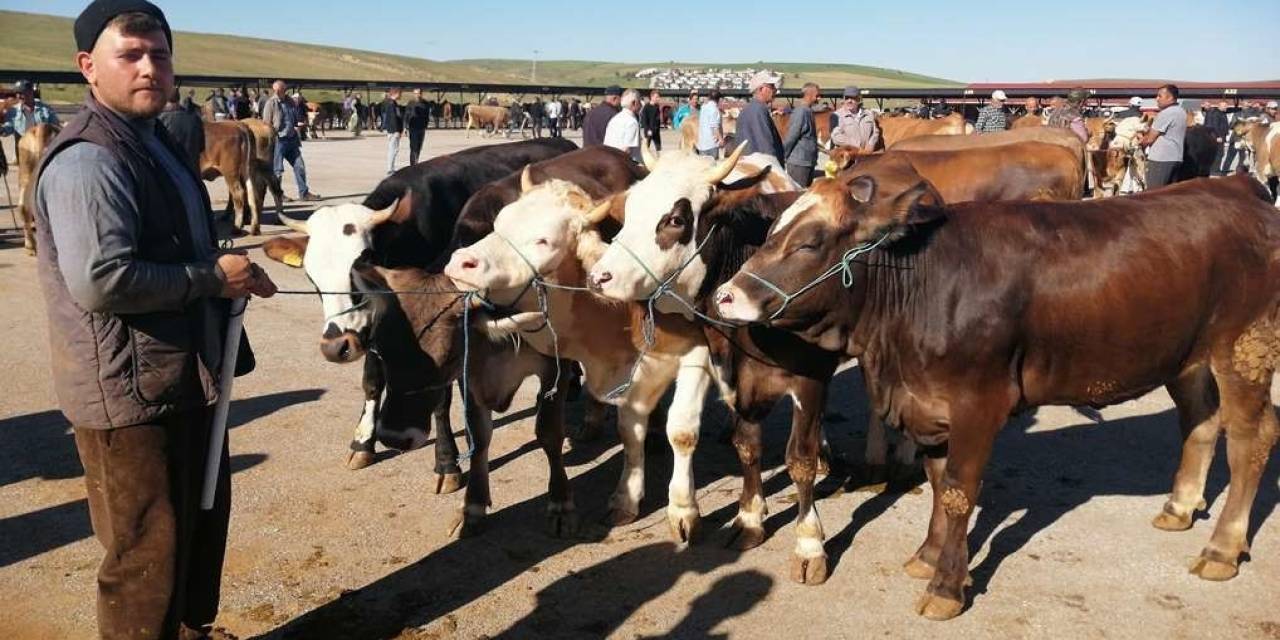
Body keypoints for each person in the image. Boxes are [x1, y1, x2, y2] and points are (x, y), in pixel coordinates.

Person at [33, 3, 278, 638]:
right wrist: (210, 279)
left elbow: (184, 246)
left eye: (160, 55)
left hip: (178, 376)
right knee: (146, 558)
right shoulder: (90, 160)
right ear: (89, 67)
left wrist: (235, 276)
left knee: (198, 523)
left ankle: (192, 631)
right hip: (129, 396)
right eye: (131, 55)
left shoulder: (156, 140)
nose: (150, 68)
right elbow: (102, 280)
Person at [262, 80, 321, 200]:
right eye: (276, 90)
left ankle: (304, 193)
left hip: (292, 139)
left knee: (300, 166)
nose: (278, 92)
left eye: (281, 90)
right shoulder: (271, 103)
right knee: (278, 170)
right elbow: (266, 123)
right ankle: (278, 195)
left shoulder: (290, 102)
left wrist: (297, 125)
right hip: (279, 140)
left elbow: (294, 117)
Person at [1137, 84, 1187, 189]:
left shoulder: (1166, 113)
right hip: (1176, 158)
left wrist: (1140, 141)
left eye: (1160, 96)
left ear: (1170, 98)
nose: (1157, 99)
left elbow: (1149, 139)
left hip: (1161, 159)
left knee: (1154, 193)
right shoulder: (1181, 112)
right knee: (1169, 193)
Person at [2, 79, 61, 163]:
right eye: (17, 93)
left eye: (21, 93)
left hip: (43, 153)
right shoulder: (13, 111)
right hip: (23, 154)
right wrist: (1, 129)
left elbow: (56, 129)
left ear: (30, 92)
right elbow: (8, 129)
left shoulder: (46, 110)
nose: (19, 96)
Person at [734, 71, 785, 164]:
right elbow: (765, 146)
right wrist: (774, 166)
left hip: (750, 166)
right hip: (759, 167)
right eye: (772, 86)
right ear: (761, 89)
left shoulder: (749, 109)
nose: (775, 90)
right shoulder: (759, 110)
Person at [157, 87, 204, 174]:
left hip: (169, 171)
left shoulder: (159, 120)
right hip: (192, 171)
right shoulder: (195, 119)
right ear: (179, 98)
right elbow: (201, 147)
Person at [781, 82, 820, 186]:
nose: (819, 98)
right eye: (817, 95)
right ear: (809, 95)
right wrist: (782, 156)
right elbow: (791, 136)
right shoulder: (801, 112)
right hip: (799, 164)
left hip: (806, 162)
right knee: (798, 193)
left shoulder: (808, 111)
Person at [830, 86, 879, 152]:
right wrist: (857, 145)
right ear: (843, 99)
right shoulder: (836, 115)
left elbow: (875, 131)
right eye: (847, 98)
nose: (849, 101)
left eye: (853, 98)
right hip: (846, 154)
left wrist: (871, 144)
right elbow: (836, 137)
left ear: (859, 99)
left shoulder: (869, 114)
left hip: (866, 154)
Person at [604, 89, 643, 163]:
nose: (641, 105)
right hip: (625, 164)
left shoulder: (615, 118)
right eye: (639, 102)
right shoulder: (632, 122)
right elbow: (626, 150)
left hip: (609, 160)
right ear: (634, 103)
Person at [1203, 100, 1230, 176]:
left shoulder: (1222, 113)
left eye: (1226, 106)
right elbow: (1215, 126)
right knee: (1218, 153)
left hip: (1222, 136)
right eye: (1224, 106)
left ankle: (1216, 169)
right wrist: (1218, 136)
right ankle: (1214, 170)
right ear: (1219, 106)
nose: (1226, 107)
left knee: (1220, 153)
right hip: (1218, 137)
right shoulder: (1216, 114)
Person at [381, 88, 404, 174]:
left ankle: (391, 167)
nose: (401, 96)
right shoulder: (391, 104)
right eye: (400, 94)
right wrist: (397, 130)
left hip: (394, 130)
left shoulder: (393, 103)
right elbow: (393, 118)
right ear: (395, 94)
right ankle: (390, 168)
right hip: (393, 130)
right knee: (393, 149)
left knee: (394, 149)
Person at [696, 89, 724, 158]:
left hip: (702, 144)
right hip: (711, 144)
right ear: (718, 99)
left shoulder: (703, 107)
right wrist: (721, 139)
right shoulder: (715, 109)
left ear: (709, 97)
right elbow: (714, 127)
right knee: (713, 164)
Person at [405, 87, 430, 165]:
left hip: (422, 128)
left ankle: (416, 162)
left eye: (419, 93)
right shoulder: (410, 103)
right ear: (413, 94)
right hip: (413, 128)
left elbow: (427, 115)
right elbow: (406, 115)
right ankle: (413, 164)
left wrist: (426, 125)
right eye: (415, 93)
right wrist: (405, 127)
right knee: (413, 147)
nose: (417, 95)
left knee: (419, 147)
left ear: (421, 94)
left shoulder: (426, 103)